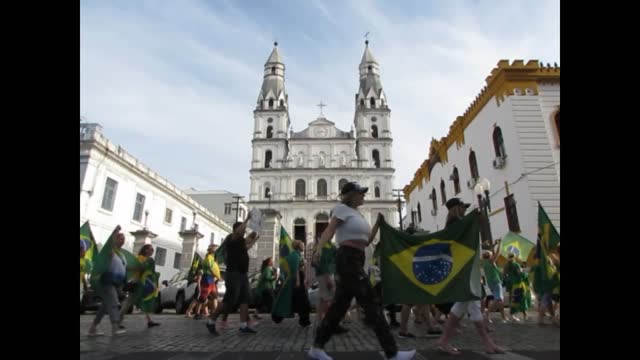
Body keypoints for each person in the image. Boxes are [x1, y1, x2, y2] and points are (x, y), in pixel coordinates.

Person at [307, 182, 416, 360]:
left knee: (339, 307)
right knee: (371, 302)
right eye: (361, 193)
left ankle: (317, 347)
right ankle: (391, 351)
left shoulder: (356, 214)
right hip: (347, 258)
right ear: (350, 195)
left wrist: (378, 225)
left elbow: (366, 241)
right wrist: (318, 248)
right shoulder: (341, 209)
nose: (364, 195)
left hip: (356, 258)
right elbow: (330, 229)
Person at [436, 198, 506, 355]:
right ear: (456, 208)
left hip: (469, 269)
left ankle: (444, 341)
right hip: (465, 271)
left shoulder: (460, 225)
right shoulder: (456, 226)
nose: (464, 210)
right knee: (473, 306)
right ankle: (488, 343)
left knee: (460, 308)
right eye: (463, 207)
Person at [206, 213, 260, 335]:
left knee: (245, 300)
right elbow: (239, 234)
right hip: (233, 273)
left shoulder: (240, 241)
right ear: (237, 229)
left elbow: (247, 244)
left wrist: (255, 235)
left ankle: (243, 325)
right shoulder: (232, 237)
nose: (244, 231)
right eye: (242, 229)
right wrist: (247, 219)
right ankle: (211, 320)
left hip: (242, 274)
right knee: (229, 300)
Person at [88, 232, 127, 336]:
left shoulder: (122, 255)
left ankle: (93, 328)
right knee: (114, 302)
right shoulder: (110, 251)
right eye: (120, 238)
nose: (122, 240)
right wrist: (114, 233)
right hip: (107, 281)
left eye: (124, 238)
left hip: (116, 283)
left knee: (104, 306)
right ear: (114, 240)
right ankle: (115, 327)